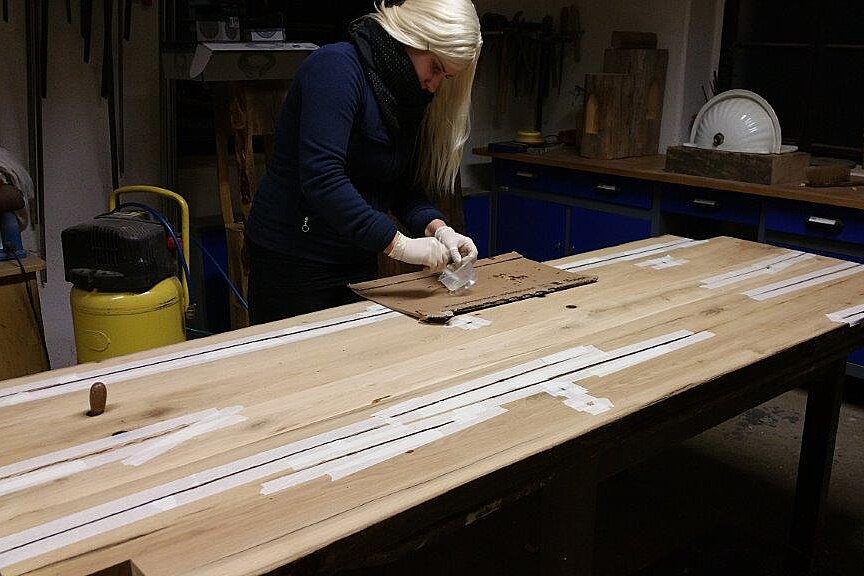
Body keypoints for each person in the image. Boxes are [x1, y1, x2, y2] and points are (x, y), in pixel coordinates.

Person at [245, 0, 483, 324]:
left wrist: (440, 230)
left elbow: (400, 186)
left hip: (355, 256)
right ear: (413, 36)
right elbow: (323, 178)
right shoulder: (336, 68)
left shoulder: (405, 94)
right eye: (436, 67)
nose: (435, 85)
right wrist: (400, 246)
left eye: (446, 76)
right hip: (293, 258)